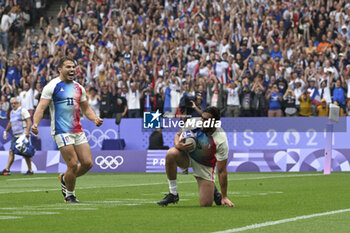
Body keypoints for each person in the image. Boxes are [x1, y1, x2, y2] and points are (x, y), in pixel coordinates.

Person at [31, 56, 103, 203]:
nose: (71, 70)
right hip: (61, 130)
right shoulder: (52, 86)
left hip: (77, 129)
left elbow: (86, 109)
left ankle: (65, 178)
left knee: (88, 163)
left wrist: (95, 118)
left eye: (73, 67)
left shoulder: (79, 88)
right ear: (60, 69)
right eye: (68, 67)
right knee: (72, 164)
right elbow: (41, 107)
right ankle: (70, 195)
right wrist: (35, 123)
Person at [157, 106, 234, 207]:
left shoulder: (220, 139)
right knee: (171, 154)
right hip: (187, 156)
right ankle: (173, 194)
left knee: (206, 204)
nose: (202, 121)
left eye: (206, 120)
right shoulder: (193, 122)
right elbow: (177, 135)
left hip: (204, 165)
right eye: (202, 118)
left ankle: (215, 192)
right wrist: (178, 145)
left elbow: (222, 170)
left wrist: (224, 196)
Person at [1, 97, 33, 175]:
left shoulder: (23, 110)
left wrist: (28, 132)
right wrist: (6, 131)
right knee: (11, 151)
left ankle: (30, 170)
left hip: (23, 134)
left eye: (15, 103)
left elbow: (29, 121)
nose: (13, 104)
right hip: (15, 135)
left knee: (26, 153)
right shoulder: (11, 112)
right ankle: (7, 169)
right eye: (12, 103)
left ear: (18, 103)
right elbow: (10, 123)